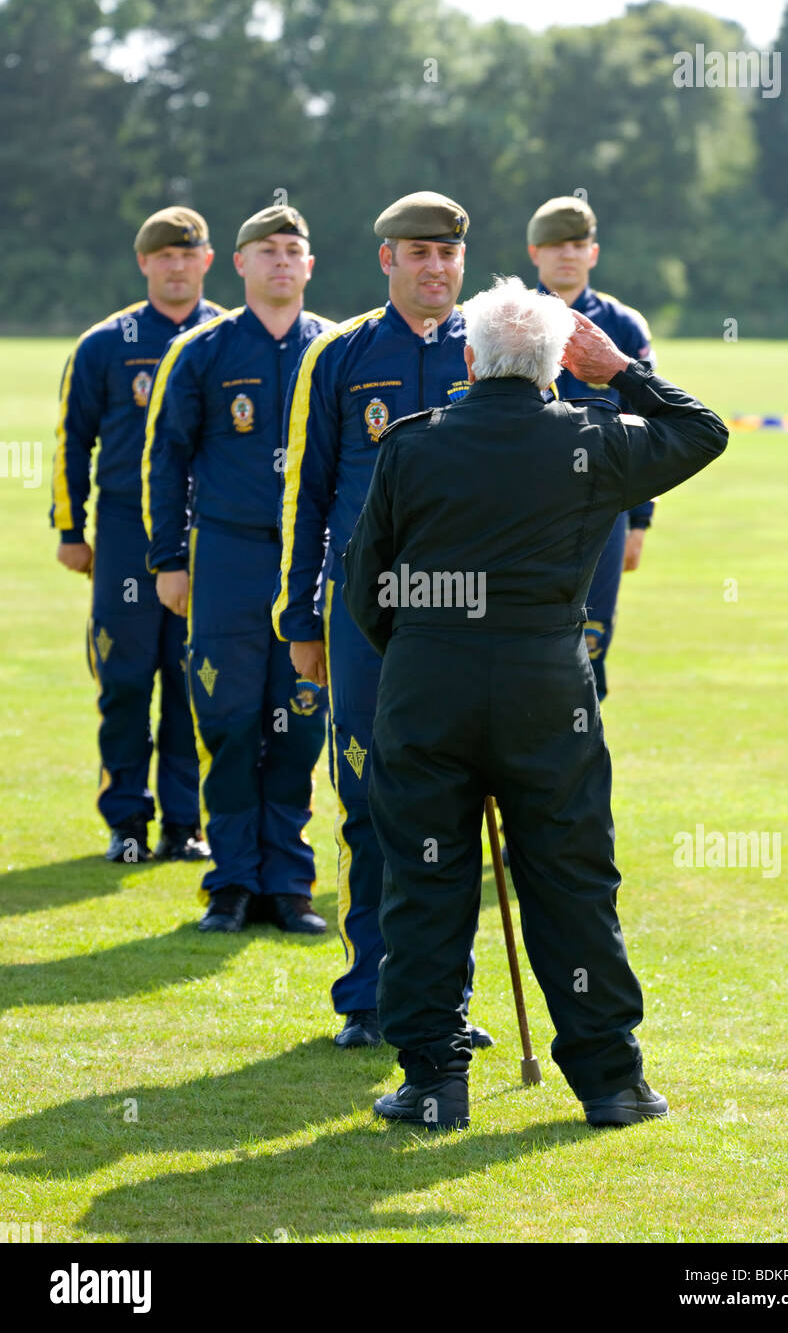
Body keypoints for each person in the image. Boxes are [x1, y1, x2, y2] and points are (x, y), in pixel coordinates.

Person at [342, 277, 728, 1130]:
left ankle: (435, 1082)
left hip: (428, 682)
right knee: (571, 880)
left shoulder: (413, 444)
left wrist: (417, 657)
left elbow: (365, 584)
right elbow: (704, 432)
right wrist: (622, 370)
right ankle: (611, 1082)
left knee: (427, 882)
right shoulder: (595, 439)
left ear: (470, 359)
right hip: (548, 690)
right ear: (558, 367)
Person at [273, 191, 492, 1050]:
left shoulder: (496, 346)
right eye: (419, 253)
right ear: (387, 260)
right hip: (365, 618)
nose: (436, 268)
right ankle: (366, 994)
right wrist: (301, 618)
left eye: (448, 254)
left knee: (456, 806)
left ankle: (446, 1003)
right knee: (365, 797)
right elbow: (308, 494)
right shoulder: (338, 354)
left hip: (469, 617)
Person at [142, 205, 333, 933]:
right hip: (225, 558)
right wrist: (169, 560)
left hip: (306, 561)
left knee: (300, 721)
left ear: (310, 267)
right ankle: (230, 883)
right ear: (241, 264)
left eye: (295, 250)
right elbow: (166, 459)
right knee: (226, 718)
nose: (282, 261)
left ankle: (288, 884)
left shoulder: (335, 349)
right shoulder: (202, 351)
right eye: (268, 250)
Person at [50, 206, 224, 863]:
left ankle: (185, 824)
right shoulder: (106, 343)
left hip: (208, 533)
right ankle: (126, 821)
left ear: (208, 261)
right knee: (124, 679)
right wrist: (71, 529)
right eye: (164, 256)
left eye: (189, 254)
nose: (177, 266)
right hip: (125, 528)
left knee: (191, 681)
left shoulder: (225, 337)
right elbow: (73, 440)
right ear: (144, 263)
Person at [528, 195, 655, 700]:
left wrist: (640, 521)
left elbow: (647, 423)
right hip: (524, 504)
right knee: (523, 639)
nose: (568, 255)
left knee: (591, 644)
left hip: (603, 507)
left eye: (578, 245)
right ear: (534, 252)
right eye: (556, 245)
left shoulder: (623, 326)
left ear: (594, 253)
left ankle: (577, 764)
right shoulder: (504, 318)